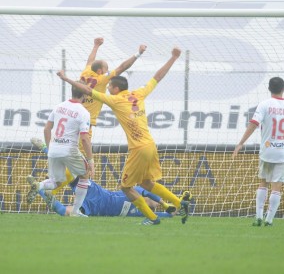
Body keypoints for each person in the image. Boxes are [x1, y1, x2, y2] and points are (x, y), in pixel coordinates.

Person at [56, 47, 192, 226]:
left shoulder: (115, 99)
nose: (108, 88)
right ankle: (179, 203)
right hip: (151, 145)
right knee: (146, 183)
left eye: (110, 86)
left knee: (126, 187)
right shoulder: (139, 93)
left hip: (138, 149)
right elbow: (158, 77)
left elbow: (88, 91)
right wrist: (173, 58)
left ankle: (152, 218)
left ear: (115, 88)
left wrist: (66, 78)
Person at [31, 37, 147, 194]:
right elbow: (122, 67)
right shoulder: (102, 79)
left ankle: (49, 181)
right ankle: (47, 186)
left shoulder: (86, 72)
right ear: (100, 71)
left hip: (70, 119)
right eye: (106, 69)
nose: (108, 72)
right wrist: (138, 54)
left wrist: (96, 46)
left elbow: (90, 60)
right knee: (79, 168)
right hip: (84, 123)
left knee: (69, 158)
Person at [232, 77, 284, 226]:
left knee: (263, 183)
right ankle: (269, 219)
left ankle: (258, 216)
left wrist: (240, 143)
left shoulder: (264, 105)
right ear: (283, 88)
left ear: (269, 89)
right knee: (277, 186)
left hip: (267, 152)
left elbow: (253, 124)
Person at [26, 82, 95, 217]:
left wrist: (50, 148)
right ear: (85, 93)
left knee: (56, 182)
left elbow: (47, 129)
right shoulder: (83, 112)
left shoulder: (59, 106)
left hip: (54, 149)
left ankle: (39, 186)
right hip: (69, 149)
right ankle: (75, 212)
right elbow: (85, 139)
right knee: (85, 175)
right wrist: (91, 159)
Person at [27, 176, 176, 218]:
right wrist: (164, 203)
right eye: (155, 203)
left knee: (64, 213)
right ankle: (47, 149)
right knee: (71, 174)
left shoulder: (143, 213)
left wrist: (172, 212)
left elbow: (163, 215)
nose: (154, 206)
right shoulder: (136, 192)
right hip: (98, 194)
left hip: (94, 209)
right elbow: (150, 193)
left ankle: (39, 188)